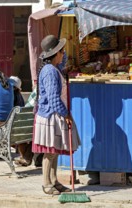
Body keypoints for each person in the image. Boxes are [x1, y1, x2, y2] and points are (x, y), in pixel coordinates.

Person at [33, 35, 80, 195]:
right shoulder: (50, 72)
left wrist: (62, 47)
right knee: (49, 152)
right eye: (61, 51)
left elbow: (63, 59)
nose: (63, 54)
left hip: (54, 114)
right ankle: (47, 183)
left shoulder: (54, 68)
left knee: (55, 151)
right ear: (55, 53)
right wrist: (65, 114)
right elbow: (53, 98)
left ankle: (54, 181)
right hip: (50, 115)